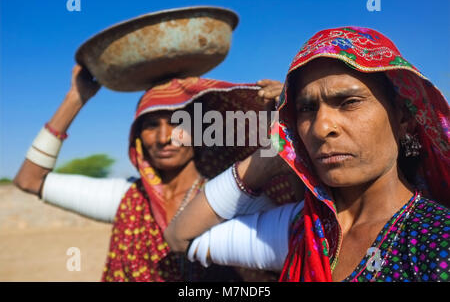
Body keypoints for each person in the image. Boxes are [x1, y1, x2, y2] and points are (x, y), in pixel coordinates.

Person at [164, 26, 450, 282]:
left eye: (349, 102)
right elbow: (181, 236)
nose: (321, 127)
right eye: (307, 109)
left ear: (403, 118)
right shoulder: (304, 230)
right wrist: (273, 155)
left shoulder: (437, 242)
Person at [13, 65, 303, 282]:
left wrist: (290, 115)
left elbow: (305, 228)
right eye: (151, 125)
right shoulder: (127, 199)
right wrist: (76, 98)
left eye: (178, 123)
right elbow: (29, 180)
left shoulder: (236, 196)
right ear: (137, 137)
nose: (164, 137)